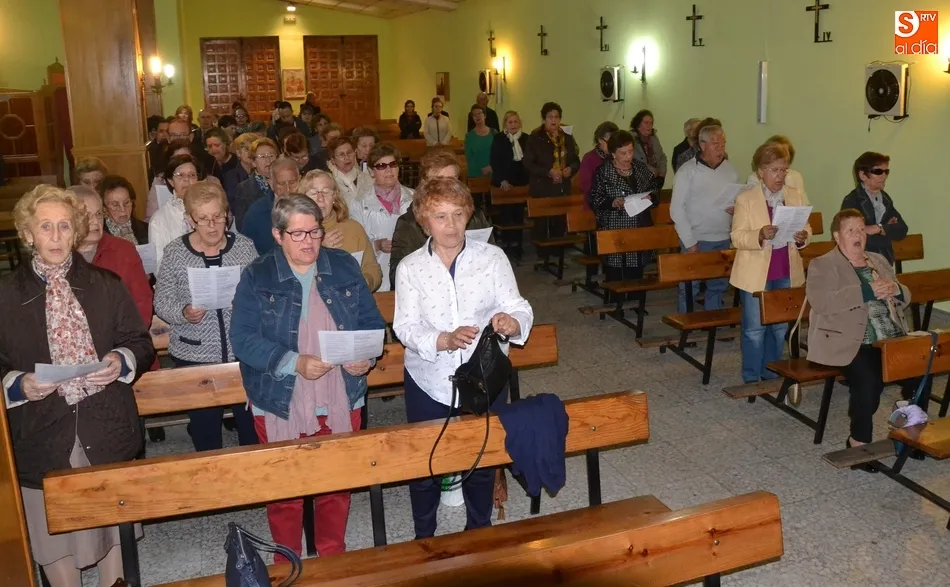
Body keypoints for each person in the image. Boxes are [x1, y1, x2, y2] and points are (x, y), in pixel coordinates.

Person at [1, 184, 154, 587]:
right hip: (41, 429)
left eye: (64, 226)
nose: (55, 236)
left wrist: (121, 360)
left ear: (76, 231)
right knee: (53, 541)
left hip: (105, 424)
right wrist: (18, 385)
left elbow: (139, 340)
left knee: (113, 536)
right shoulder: (4, 296)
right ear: (28, 233)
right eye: (45, 227)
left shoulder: (105, 283)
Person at [231, 195, 385, 559]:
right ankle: (288, 562)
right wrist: (293, 362)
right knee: (285, 490)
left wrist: (365, 355)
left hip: (341, 393)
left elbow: (370, 323)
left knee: (336, 486)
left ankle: (331, 560)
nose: (309, 242)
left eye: (315, 231)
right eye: (298, 234)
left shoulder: (343, 265)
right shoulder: (257, 274)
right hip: (279, 398)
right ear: (277, 234)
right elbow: (243, 339)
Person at [393, 177, 533, 539]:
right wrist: (442, 339)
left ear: (468, 215)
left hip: (483, 373)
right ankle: (424, 536)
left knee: (479, 459)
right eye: (440, 217)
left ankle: (479, 531)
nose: (451, 225)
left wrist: (512, 322)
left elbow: (517, 305)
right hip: (429, 378)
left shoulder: (491, 258)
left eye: (458, 215)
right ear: (424, 220)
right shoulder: (410, 267)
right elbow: (405, 327)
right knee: (426, 462)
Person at [805, 209, 919, 459]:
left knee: (922, 367)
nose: (858, 235)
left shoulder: (878, 260)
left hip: (891, 337)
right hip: (851, 341)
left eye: (861, 229)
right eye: (850, 231)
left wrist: (896, 289)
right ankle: (858, 441)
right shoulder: (823, 264)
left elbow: (906, 297)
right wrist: (867, 291)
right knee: (868, 381)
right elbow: (822, 302)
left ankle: (910, 431)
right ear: (837, 236)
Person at [154, 181, 258, 452]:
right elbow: (161, 302)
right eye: (203, 219)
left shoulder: (244, 248)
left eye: (218, 217)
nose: (213, 226)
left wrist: (247, 304)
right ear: (190, 220)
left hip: (242, 352)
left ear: (227, 215)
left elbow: (263, 293)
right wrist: (184, 312)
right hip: (194, 354)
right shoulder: (175, 252)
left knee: (251, 426)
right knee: (205, 432)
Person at [730, 142, 811, 385]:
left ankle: (771, 370)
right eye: (775, 170)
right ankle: (752, 376)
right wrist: (760, 234)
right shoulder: (746, 199)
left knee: (778, 329)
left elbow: (806, 227)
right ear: (760, 172)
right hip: (755, 273)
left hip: (785, 269)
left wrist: (803, 237)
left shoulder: (794, 195)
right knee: (754, 330)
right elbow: (736, 237)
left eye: (784, 170)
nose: (780, 175)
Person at [391, 149, 493, 286]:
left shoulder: (475, 216)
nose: (448, 188)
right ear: (424, 185)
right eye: (439, 182)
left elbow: (492, 259)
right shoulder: (408, 223)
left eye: (452, 180)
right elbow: (397, 276)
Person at [670, 124, 739, 313]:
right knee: (689, 287)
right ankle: (687, 324)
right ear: (702, 145)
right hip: (696, 238)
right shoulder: (687, 171)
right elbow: (676, 209)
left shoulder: (730, 171)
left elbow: (735, 201)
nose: (720, 148)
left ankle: (713, 324)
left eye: (723, 143)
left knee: (718, 286)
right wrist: (689, 241)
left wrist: (737, 210)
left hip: (722, 237)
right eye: (715, 143)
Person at [588, 130, 656, 300]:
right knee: (615, 270)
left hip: (639, 227)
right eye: (623, 153)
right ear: (612, 153)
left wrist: (650, 197)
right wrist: (612, 202)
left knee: (637, 268)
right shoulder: (603, 172)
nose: (628, 157)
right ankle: (615, 304)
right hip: (614, 227)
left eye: (631, 152)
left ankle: (636, 302)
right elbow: (594, 200)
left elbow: (656, 194)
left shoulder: (640, 169)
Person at [300, 170, 382, 291]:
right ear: (303, 198)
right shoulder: (294, 233)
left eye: (326, 192)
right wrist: (319, 249)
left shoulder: (353, 228)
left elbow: (372, 269)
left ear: (334, 197)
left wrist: (364, 283)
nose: (320, 198)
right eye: (313, 193)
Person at [348, 144, 414, 292]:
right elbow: (356, 245)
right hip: (378, 274)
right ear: (371, 171)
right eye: (382, 166)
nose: (389, 170)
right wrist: (376, 245)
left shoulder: (415, 198)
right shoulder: (359, 203)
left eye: (393, 164)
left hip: (411, 273)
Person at [523, 102, 580, 263]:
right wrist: (548, 171)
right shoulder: (535, 138)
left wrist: (571, 168)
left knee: (559, 223)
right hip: (542, 186)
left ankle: (557, 255)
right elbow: (528, 163)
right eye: (550, 117)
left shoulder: (567, 138)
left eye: (556, 117)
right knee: (541, 224)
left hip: (562, 187)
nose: (553, 120)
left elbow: (576, 160)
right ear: (543, 119)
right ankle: (543, 257)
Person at [840, 152, 908, 265]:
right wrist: (887, 229)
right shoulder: (852, 200)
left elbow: (902, 229)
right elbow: (853, 237)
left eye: (887, 171)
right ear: (862, 175)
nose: (884, 175)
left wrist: (878, 228)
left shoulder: (885, 199)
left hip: (886, 261)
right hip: (861, 263)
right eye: (878, 171)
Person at [150, 154, 203, 271]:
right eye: (180, 175)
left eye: (192, 175)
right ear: (171, 181)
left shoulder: (210, 211)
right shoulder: (159, 219)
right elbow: (159, 267)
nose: (186, 179)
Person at [490, 111, 530, 258]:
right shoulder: (499, 139)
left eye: (515, 122)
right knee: (507, 213)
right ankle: (508, 244)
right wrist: (502, 180)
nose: (513, 125)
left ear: (520, 123)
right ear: (505, 124)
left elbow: (530, 160)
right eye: (510, 122)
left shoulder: (526, 138)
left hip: (521, 181)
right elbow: (495, 161)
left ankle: (518, 244)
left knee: (519, 213)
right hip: (505, 181)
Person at [241, 158, 301, 254]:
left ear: (300, 180)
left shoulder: (312, 209)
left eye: (292, 182)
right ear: (271, 183)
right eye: (281, 184)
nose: (288, 189)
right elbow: (245, 252)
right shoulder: (256, 213)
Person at [233, 137, 279, 227]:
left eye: (271, 155)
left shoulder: (284, 183)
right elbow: (241, 223)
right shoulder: (244, 188)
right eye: (262, 156)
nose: (268, 160)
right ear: (253, 162)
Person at [578, 121, 619, 210]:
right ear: (600, 140)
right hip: (594, 206)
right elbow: (585, 185)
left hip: (615, 205)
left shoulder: (617, 157)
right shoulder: (589, 158)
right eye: (609, 142)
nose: (613, 145)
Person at [100, 175, 148, 245]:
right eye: (115, 205)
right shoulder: (99, 236)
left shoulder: (147, 229)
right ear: (104, 208)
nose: (122, 209)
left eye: (126, 202)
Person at [630, 109, 667, 192]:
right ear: (638, 124)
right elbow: (632, 159)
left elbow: (662, 156)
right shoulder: (631, 139)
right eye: (646, 123)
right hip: (638, 180)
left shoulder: (654, 137)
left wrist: (662, 172)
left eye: (651, 123)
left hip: (656, 179)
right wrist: (648, 169)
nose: (649, 126)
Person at [221, 132, 260, 209]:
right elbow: (233, 204)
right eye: (246, 149)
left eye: (253, 149)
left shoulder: (262, 173)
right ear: (238, 153)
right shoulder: (231, 176)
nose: (250, 153)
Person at [327, 137, 367, 202]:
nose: (347, 157)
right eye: (341, 155)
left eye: (349, 152)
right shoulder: (329, 183)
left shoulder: (366, 178)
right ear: (333, 160)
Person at [464, 104, 497, 179]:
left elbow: (499, 153)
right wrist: (481, 169)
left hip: (492, 173)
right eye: (474, 115)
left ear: (485, 116)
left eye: (479, 113)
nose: (477, 116)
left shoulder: (494, 133)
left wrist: (490, 167)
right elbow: (469, 157)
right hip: (475, 175)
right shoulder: (469, 136)